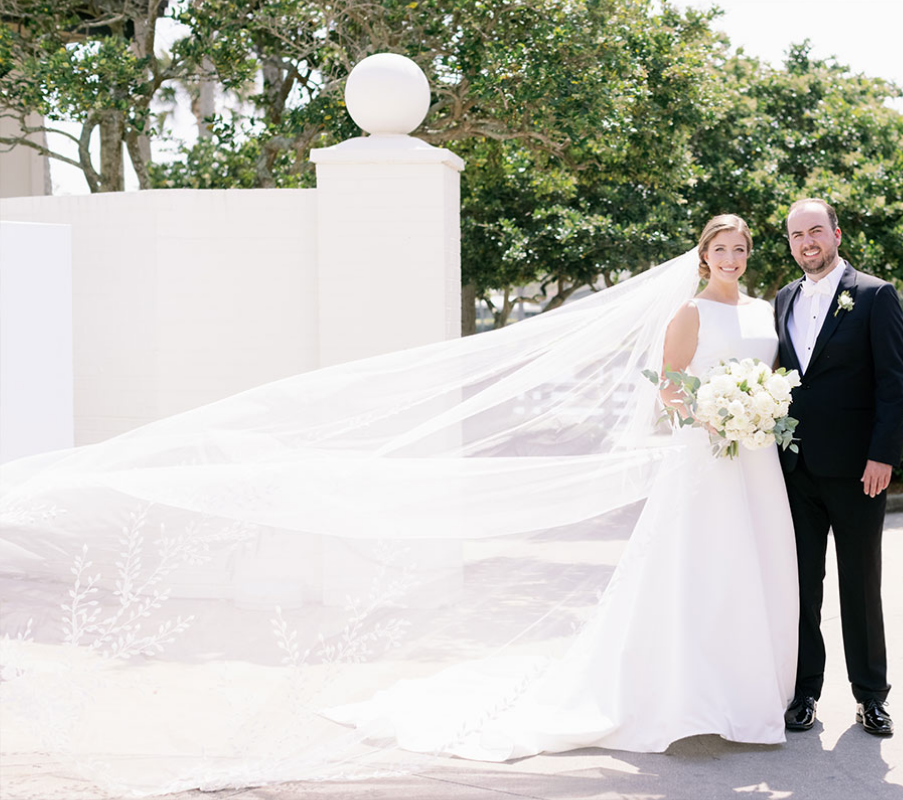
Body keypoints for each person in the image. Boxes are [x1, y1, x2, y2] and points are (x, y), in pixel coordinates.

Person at [0, 215, 797, 795]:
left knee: (752, 575)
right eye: (719, 247)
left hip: (755, 463)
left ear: (748, 256)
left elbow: (768, 374)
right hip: (706, 460)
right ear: (702, 255)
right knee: (695, 576)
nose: (731, 256)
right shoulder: (690, 312)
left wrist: (754, 413)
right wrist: (714, 415)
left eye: (740, 248)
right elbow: (668, 389)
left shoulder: (763, 312)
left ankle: (748, 697)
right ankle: (683, 695)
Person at [774, 198, 903, 736]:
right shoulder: (782, 298)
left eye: (815, 232)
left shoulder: (875, 295)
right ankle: (805, 692)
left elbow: (893, 384)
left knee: (860, 584)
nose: (807, 243)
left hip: (859, 471)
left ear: (835, 233)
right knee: (801, 587)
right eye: (796, 236)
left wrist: (883, 455)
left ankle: (871, 696)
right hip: (794, 469)